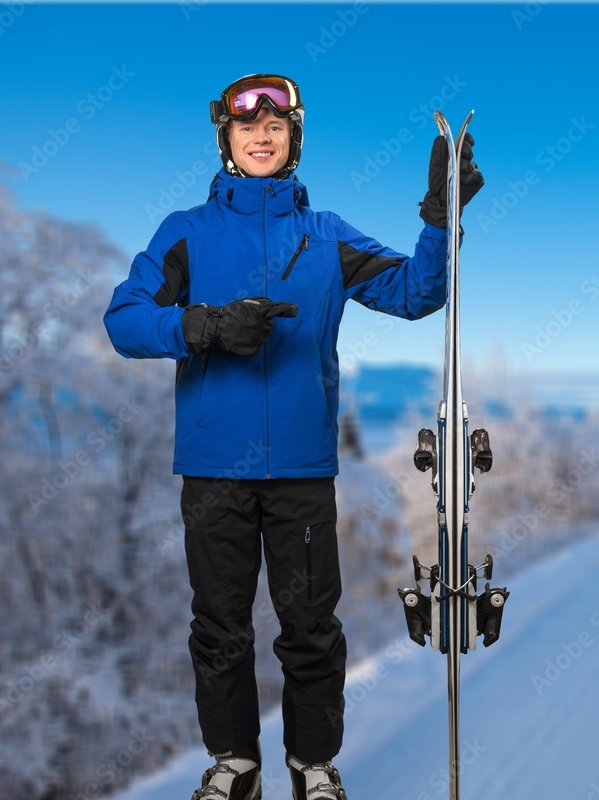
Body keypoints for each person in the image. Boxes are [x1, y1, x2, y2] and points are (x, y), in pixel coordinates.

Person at [103, 73, 483, 800]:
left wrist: (441, 218)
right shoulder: (187, 231)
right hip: (214, 469)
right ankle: (234, 763)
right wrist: (201, 326)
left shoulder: (327, 236)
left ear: (293, 139)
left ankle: (312, 765)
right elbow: (122, 321)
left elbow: (417, 293)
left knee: (309, 626)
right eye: (248, 127)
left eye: (276, 126)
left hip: (303, 472)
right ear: (228, 139)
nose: (262, 135)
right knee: (220, 627)